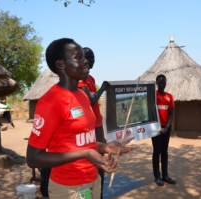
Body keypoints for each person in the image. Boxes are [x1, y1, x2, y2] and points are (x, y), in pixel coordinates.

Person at [26, 38, 136, 199]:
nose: (86, 61)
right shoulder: (51, 102)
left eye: (84, 57)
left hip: (93, 180)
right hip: (69, 188)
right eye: (78, 57)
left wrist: (104, 147)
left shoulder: (82, 96)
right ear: (61, 64)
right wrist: (85, 154)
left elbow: (80, 142)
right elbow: (33, 159)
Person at [77, 47, 108, 199]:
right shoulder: (79, 80)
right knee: (88, 162)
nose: (90, 61)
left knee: (100, 160)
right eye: (87, 58)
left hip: (97, 124)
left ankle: (99, 193)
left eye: (92, 58)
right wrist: (103, 89)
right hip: (87, 127)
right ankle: (88, 195)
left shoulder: (90, 78)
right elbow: (90, 99)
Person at [152, 74, 176, 186]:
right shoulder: (153, 96)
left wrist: (166, 127)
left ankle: (165, 175)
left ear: (166, 83)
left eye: (163, 82)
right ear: (156, 83)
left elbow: (172, 113)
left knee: (164, 152)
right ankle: (157, 176)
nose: (162, 84)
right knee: (157, 151)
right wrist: (158, 128)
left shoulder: (169, 96)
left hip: (166, 128)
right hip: (156, 129)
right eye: (160, 82)